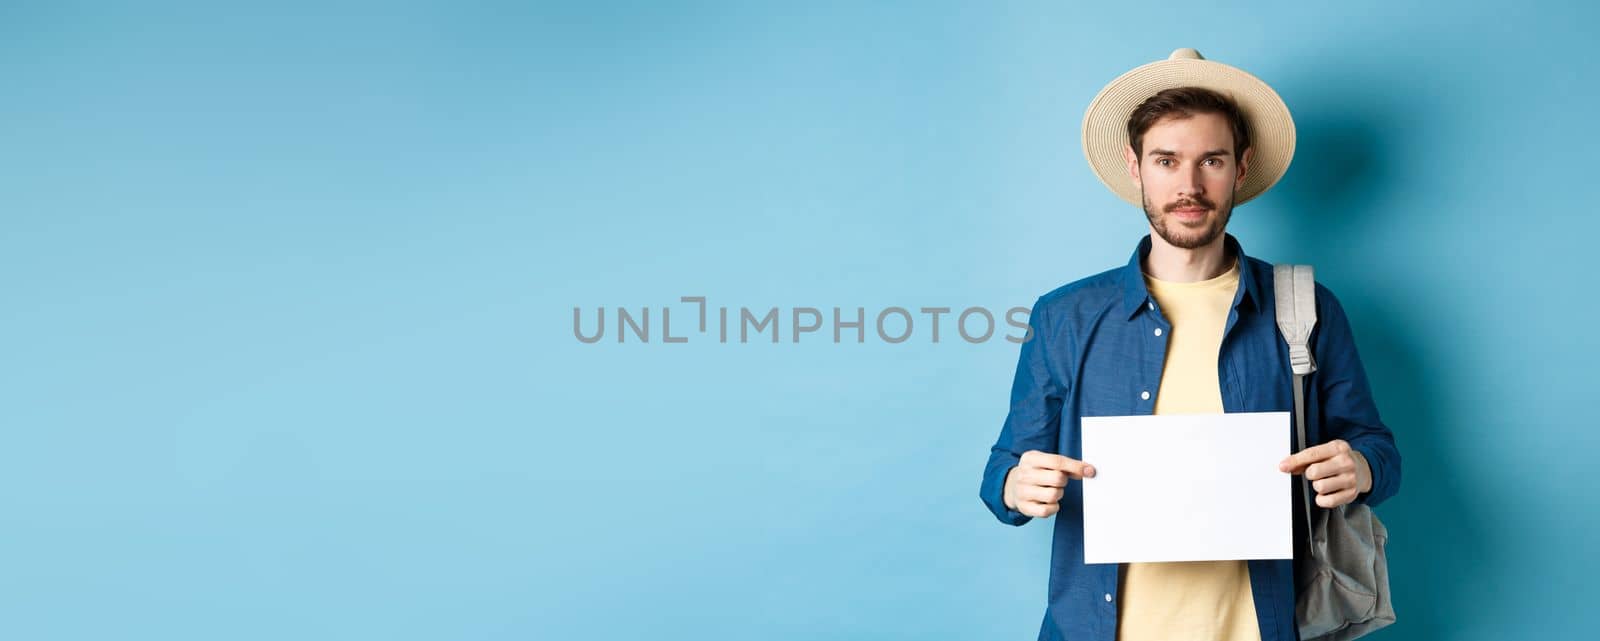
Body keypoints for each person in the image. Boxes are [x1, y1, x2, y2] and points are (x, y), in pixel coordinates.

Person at [977, 48, 1401, 641]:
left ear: (1242, 167)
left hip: (1262, 625)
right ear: (1136, 167)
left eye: (1212, 160)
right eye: (1167, 160)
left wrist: (1358, 467)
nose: (1189, 185)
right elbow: (1001, 473)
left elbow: (1378, 451)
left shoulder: (1304, 306)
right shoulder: (1064, 316)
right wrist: (1016, 485)